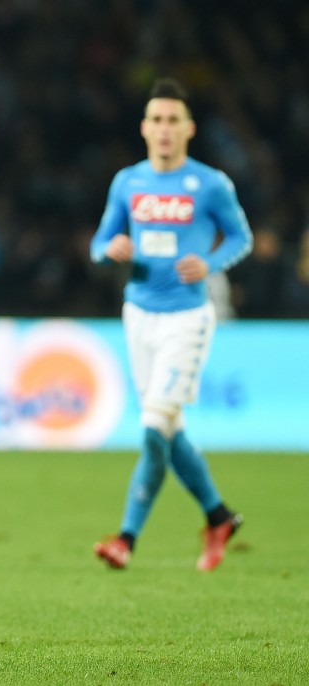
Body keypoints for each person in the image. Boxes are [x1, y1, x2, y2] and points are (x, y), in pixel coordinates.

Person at [90, 78, 252, 571]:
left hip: (187, 317)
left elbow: (241, 238)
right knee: (168, 427)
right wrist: (111, 249)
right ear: (144, 127)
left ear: (189, 129)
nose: (164, 129)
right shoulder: (128, 182)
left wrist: (210, 263)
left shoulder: (210, 183)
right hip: (138, 314)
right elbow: (99, 243)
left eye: (173, 120)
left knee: (153, 426)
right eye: (156, 120)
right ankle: (219, 516)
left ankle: (126, 538)